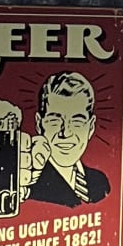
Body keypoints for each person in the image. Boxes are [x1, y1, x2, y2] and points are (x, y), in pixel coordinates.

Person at [20, 71, 111, 207]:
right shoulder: (27, 185)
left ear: (91, 126)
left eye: (77, 121)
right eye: (55, 120)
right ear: (39, 124)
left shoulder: (100, 182)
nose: (66, 133)